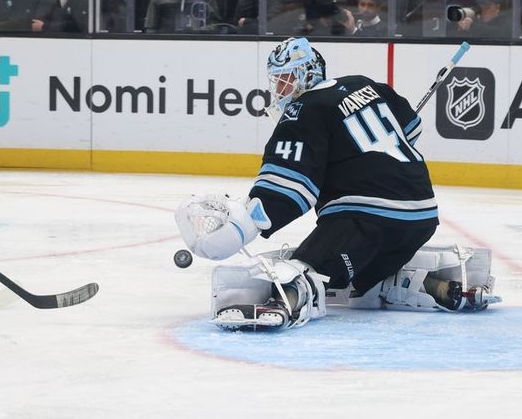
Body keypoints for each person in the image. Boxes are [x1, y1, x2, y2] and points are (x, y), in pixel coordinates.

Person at [175, 37, 499, 331]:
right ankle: (428, 284)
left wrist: (242, 226)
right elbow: (410, 129)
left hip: (365, 219)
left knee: (311, 268)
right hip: (420, 217)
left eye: (286, 78)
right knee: (362, 277)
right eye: (278, 80)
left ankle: (284, 298)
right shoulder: (365, 84)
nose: (281, 89)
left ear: (306, 73)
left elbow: (288, 187)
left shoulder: (304, 110)